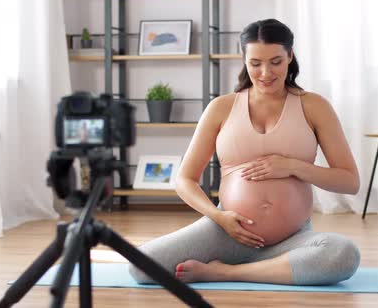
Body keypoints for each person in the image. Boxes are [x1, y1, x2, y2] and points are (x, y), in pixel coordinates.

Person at [129, 19, 361, 285]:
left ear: (290, 57)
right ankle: (273, 268)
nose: (265, 73)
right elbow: (185, 180)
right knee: (141, 267)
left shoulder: (314, 106)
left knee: (343, 255)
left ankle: (225, 272)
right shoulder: (221, 107)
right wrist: (218, 217)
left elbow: (349, 181)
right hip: (227, 233)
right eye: (255, 63)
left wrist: (293, 166)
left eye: (276, 62)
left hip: (292, 239)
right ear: (244, 60)